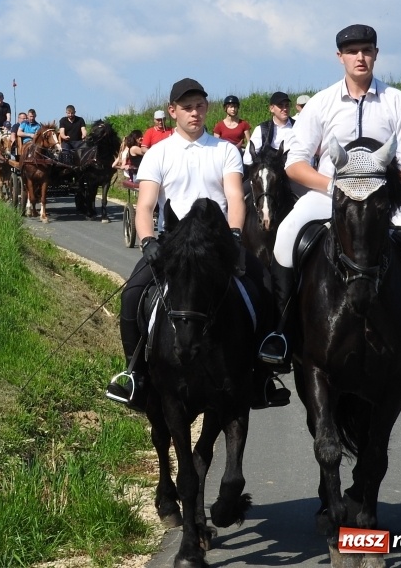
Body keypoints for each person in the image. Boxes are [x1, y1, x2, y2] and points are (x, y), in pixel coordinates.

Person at [256, 24, 401, 390]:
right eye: (352, 51)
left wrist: (384, 194)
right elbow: (295, 163)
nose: (359, 57)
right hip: (329, 195)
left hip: (384, 201)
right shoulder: (321, 103)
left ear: (376, 54)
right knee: (284, 236)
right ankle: (280, 334)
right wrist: (334, 188)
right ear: (340, 57)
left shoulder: (396, 101)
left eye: (366, 50)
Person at [105, 78, 290, 411]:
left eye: (200, 106)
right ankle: (136, 375)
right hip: (172, 244)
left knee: (264, 283)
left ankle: (262, 375)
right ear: (173, 111)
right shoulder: (158, 153)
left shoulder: (225, 150)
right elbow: (145, 206)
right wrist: (147, 241)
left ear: (207, 109)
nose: (194, 113)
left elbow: (235, 197)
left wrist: (235, 235)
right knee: (132, 293)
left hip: (218, 243)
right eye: (187, 107)